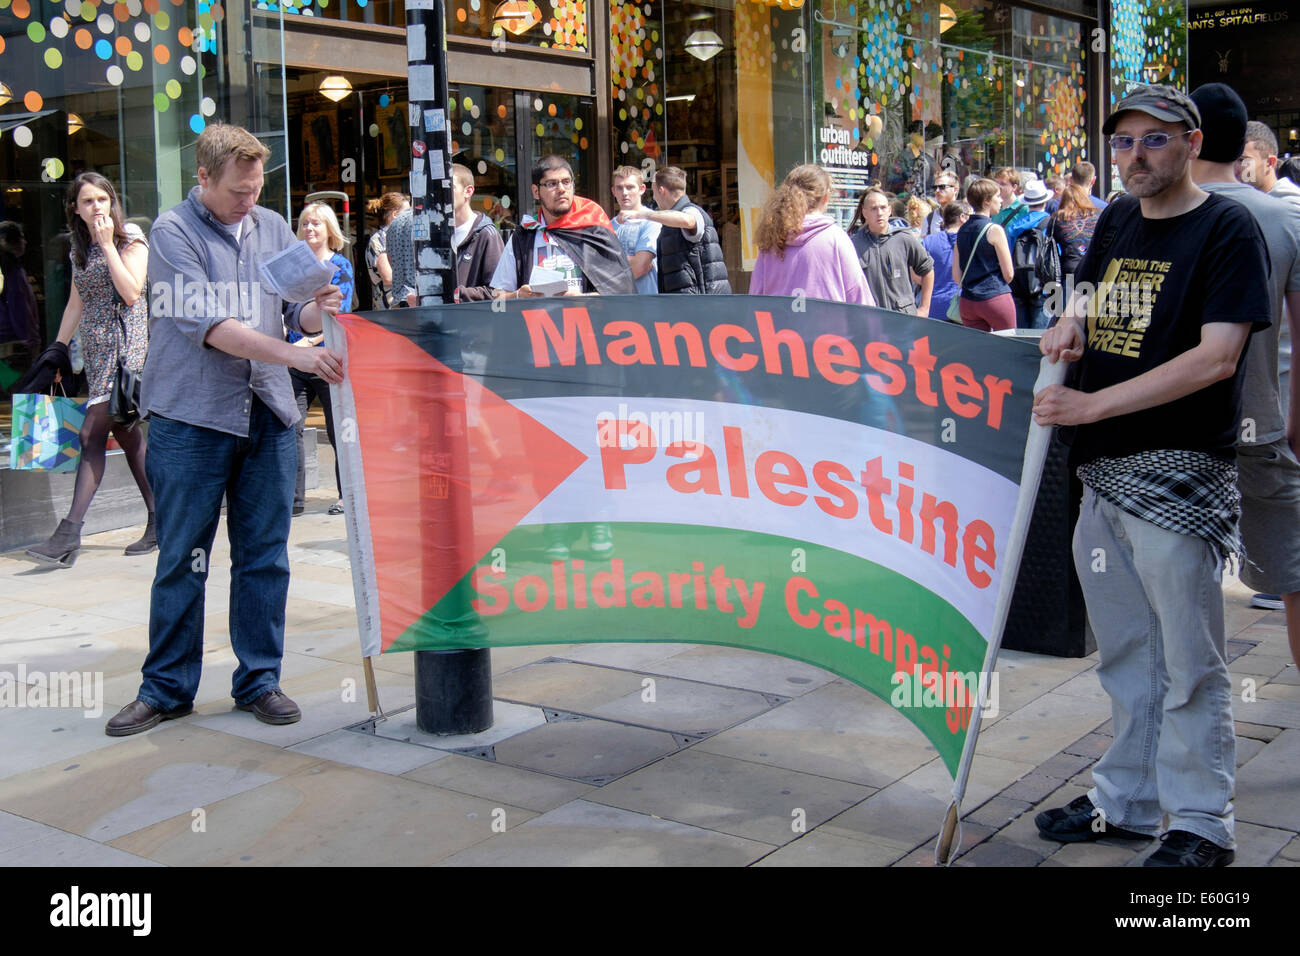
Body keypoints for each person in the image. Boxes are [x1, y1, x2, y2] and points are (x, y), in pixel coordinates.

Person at [1032, 84, 1271, 867]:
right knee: (1130, 653)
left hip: (1178, 473)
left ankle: (1201, 821)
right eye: (1125, 142)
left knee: (1191, 663)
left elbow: (1217, 356)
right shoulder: (1117, 219)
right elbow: (1096, 296)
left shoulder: (1228, 226)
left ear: (1192, 142)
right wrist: (1072, 320)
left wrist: (1091, 407)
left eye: (1156, 141)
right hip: (1102, 475)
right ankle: (1126, 801)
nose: (1137, 157)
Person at [104, 123, 344, 736]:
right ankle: (166, 689)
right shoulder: (170, 232)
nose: (249, 202)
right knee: (185, 556)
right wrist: (298, 356)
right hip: (193, 416)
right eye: (238, 191)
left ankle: (259, 681)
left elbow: (298, 306)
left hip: (268, 413)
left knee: (265, 557)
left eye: (257, 188)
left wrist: (324, 308)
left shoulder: (270, 226)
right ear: (204, 178)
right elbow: (209, 326)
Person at [1191, 83, 1300, 672]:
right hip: (1264, 423)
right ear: (1245, 150)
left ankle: (1189, 718)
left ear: (1191, 138)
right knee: (1293, 574)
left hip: (1175, 431)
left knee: (1182, 582)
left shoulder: (1149, 211)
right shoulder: (1286, 216)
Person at [26, 173, 155, 567]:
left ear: (112, 201)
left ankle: (69, 533)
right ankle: (161, 518)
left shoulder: (130, 236)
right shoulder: (77, 248)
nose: (96, 207)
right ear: (76, 209)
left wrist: (107, 244)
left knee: (89, 433)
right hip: (96, 353)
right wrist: (57, 352)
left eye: (102, 199)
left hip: (127, 351)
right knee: (129, 437)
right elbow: (74, 306)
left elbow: (132, 291)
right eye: (87, 201)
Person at [490, 155, 636, 298]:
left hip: (586, 321)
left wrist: (583, 299)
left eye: (566, 182)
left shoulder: (593, 227)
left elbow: (622, 294)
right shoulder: (523, 236)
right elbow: (496, 299)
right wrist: (517, 296)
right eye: (551, 184)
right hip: (536, 321)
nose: (561, 189)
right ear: (536, 192)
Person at [290, 201, 353, 517]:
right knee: (293, 429)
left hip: (328, 358)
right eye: (305, 224)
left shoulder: (340, 266)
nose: (309, 229)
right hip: (295, 361)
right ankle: (294, 498)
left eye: (316, 223)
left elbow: (339, 315)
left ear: (330, 229)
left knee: (337, 429)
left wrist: (310, 340)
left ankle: (346, 494)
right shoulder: (295, 268)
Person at [749, 164, 873, 305]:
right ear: (825, 197)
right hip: (827, 326)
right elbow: (858, 296)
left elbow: (756, 297)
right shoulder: (836, 239)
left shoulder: (772, 238)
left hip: (780, 325)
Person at [620, 165, 730, 295]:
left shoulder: (691, 211)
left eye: (654, 193)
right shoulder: (673, 218)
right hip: (693, 301)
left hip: (700, 303)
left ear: (662, 191)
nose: (654, 198)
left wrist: (643, 214)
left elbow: (688, 221)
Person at [849, 187, 934, 316]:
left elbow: (928, 270)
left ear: (889, 210)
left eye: (883, 208)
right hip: (871, 321)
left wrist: (924, 308)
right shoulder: (854, 244)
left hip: (903, 319)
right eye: (873, 209)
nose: (879, 213)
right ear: (864, 212)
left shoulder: (904, 238)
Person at [952, 178, 1015, 332]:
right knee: (1009, 347)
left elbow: (956, 276)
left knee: (978, 353)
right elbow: (1009, 274)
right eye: (997, 196)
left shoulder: (962, 230)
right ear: (987, 201)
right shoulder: (994, 230)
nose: (1000, 200)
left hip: (968, 302)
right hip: (995, 297)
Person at [1006, 178, 1057, 330]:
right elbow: (1057, 254)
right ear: (1045, 202)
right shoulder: (1051, 224)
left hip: (1018, 284)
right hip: (1044, 286)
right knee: (1040, 338)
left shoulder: (1013, 227)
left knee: (1021, 336)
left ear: (1027, 203)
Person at [450, 163, 504, 301]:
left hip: (475, 320)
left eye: (450, 187)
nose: (443, 193)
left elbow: (498, 291)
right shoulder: (439, 233)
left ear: (468, 191)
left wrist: (456, 294)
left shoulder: (487, 234)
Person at [610, 165, 660, 295]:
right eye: (619, 188)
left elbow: (640, 267)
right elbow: (597, 266)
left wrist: (613, 262)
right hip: (615, 306)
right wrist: (633, 260)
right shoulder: (607, 226)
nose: (624, 193)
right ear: (613, 191)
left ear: (642, 189)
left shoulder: (652, 222)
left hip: (645, 304)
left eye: (630, 187)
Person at [923, 200, 969, 324]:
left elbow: (914, 272)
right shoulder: (970, 240)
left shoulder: (929, 241)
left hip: (934, 307)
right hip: (962, 307)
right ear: (963, 217)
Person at [1239, 122, 1300, 210]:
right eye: (1231, 161)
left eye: (1243, 160)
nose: (1234, 168)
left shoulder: (1292, 206)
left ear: (1270, 163)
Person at [1052, 182, 1101, 288]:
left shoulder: (1058, 218)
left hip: (1070, 268)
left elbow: (1050, 244)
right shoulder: (1098, 215)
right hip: (1094, 268)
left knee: (1071, 304)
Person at [0, 221, 40, 353]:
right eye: (21, 237)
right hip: (13, 344)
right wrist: (32, 342)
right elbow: (20, 309)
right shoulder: (12, 271)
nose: (25, 242)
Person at [366, 191, 408, 309]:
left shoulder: (402, 236)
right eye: (408, 213)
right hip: (389, 305)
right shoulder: (378, 240)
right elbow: (388, 277)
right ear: (395, 214)